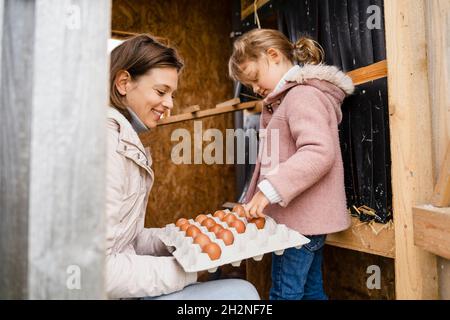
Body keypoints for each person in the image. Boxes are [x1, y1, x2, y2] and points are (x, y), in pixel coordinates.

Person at [106, 34, 259, 300]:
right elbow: (99, 270)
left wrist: (175, 240)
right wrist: (188, 269)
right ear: (123, 83)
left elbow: (123, 240)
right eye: (161, 91)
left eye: (171, 94)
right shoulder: (105, 148)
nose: (169, 104)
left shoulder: (123, 139)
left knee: (241, 291)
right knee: (242, 296)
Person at [228, 29, 354, 300]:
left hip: (297, 223)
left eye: (254, 78)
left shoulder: (301, 96)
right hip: (307, 221)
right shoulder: (288, 99)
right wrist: (251, 199)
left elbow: (318, 152)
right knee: (310, 291)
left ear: (273, 56)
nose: (255, 88)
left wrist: (268, 191)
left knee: (285, 294)